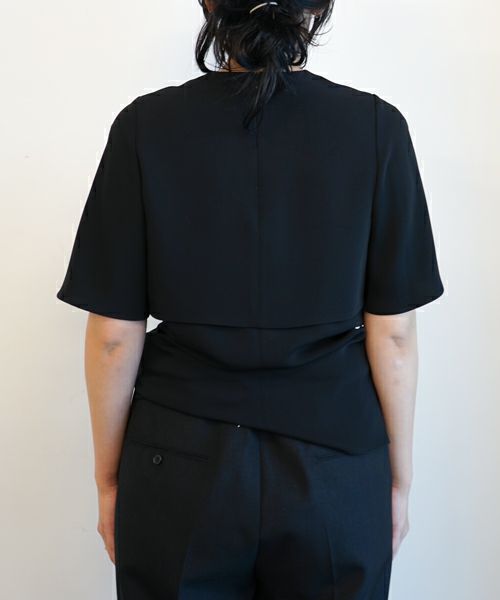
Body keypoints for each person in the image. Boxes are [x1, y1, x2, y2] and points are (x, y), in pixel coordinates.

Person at [56, 0, 445, 598]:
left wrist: (109, 481)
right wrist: (398, 481)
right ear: (316, 9)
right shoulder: (376, 127)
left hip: (177, 460)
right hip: (335, 461)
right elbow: (392, 333)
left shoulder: (144, 126)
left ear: (209, 5)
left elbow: (113, 336)